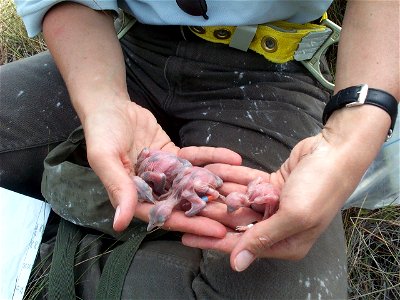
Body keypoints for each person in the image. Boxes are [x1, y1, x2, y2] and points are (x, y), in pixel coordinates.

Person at [1, 0, 398, 298]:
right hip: (117, 52)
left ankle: (44, 253)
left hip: (272, 70)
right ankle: (41, 254)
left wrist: (349, 139)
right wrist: (102, 102)